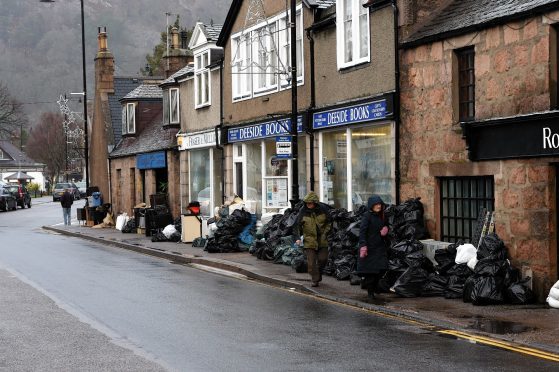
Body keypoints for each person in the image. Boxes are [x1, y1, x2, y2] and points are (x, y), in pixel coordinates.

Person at [293, 191, 332, 287]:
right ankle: (315, 280)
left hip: (322, 239)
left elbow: (329, 222)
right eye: (306, 203)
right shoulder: (303, 211)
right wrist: (297, 238)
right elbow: (296, 226)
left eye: (310, 203)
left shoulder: (323, 209)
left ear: (315, 202)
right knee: (311, 264)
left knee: (323, 259)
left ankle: (318, 274)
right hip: (309, 240)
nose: (308, 205)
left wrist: (326, 232)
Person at [357, 195, 389, 299]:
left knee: (380, 270)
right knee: (370, 272)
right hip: (369, 248)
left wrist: (385, 230)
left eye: (380, 204)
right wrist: (363, 245)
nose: (379, 206)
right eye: (376, 204)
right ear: (371, 206)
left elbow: (386, 226)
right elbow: (362, 231)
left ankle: (374, 288)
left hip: (380, 247)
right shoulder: (367, 216)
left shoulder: (382, 216)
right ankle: (370, 292)